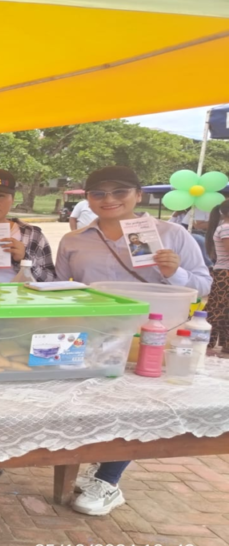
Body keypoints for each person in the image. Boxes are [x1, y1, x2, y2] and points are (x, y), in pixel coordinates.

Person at [56, 166, 211, 517]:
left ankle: (108, 480)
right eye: (98, 193)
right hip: (94, 335)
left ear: (138, 195)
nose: (109, 200)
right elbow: (61, 285)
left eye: (119, 192)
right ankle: (83, 459)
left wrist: (175, 272)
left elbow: (203, 285)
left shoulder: (173, 234)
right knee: (84, 401)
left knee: (136, 406)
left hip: (153, 336)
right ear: (88, 198)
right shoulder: (74, 240)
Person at [204, 199, 229, 349]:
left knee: (224, 310)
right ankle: (206, 341)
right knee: (216, 309)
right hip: (225, 274)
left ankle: (224, 343)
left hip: (224, 273)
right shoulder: (226, 228)